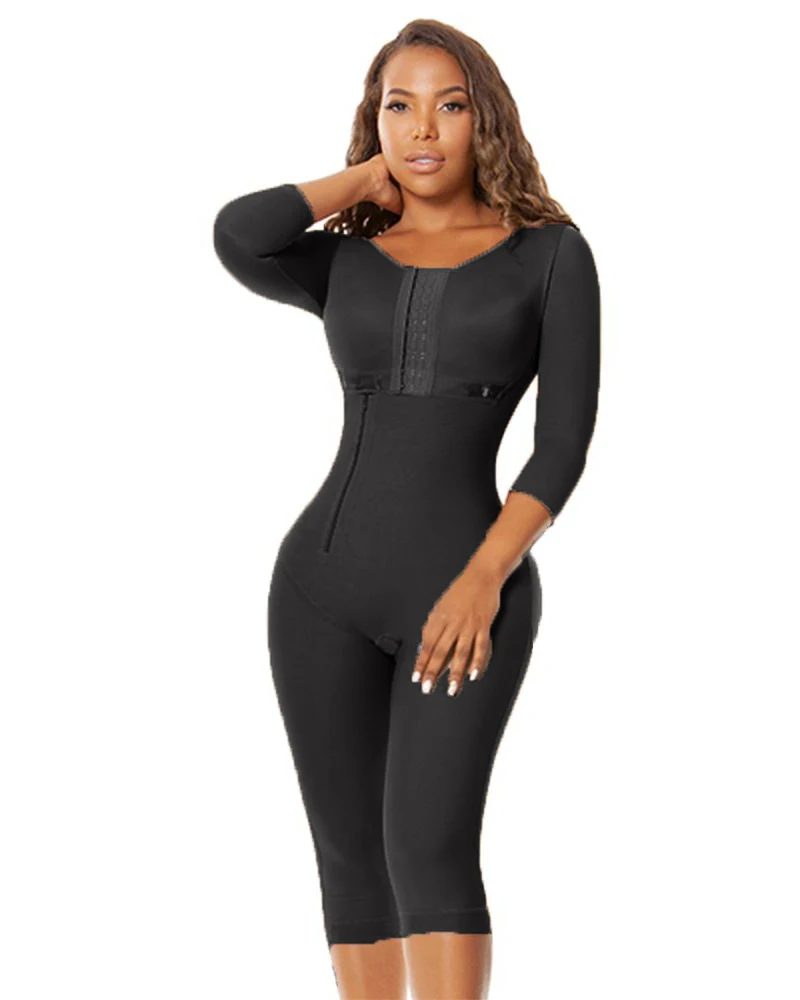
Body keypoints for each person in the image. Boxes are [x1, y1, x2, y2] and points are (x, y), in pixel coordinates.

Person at [213, 18, 600, 1000]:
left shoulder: (550, 256)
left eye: (449, 105)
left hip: (468, 591)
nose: (424, 127)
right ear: (374, 120)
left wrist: (484, 577)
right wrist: (362, 181)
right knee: (348, 860)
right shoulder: (346, 258)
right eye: (399, 106)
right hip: (318, 590)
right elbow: (237, 233)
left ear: (484, 118)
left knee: (427, 847)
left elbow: (560, 446)